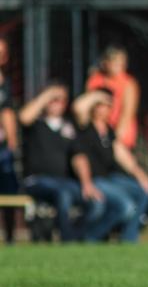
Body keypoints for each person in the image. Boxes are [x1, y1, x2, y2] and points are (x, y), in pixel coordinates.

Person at [19, 83, 106, 241]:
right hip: (37, 180)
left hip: (64, 182)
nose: (57, 103)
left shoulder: (69, 126)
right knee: (64, 193)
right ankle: (67, 239)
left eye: (61, 100)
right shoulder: (36, 124)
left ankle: (81, 237)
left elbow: (78, 156)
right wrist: (47, 95)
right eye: (54, 99)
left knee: (96, 203)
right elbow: (24, 117)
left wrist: (86, 183)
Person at [71, 89, 148, 242]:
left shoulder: (109, 131)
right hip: (95, 180)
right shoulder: (85, 127)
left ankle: (129, 238)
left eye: (108, 105)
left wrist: (142, 177)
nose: (105, 108)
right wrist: (99, 94)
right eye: (100, 104)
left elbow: (124, 157)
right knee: (126, 208)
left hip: (110, 179)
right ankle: (91, 237)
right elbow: (78, 107)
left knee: (144, 191)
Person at [86, 45, 140, 150]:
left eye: (121, 62)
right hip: (100, 132)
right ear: (106, 62)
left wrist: (115, 139)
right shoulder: (95, 79)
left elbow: (127, 114)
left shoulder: (128, 83)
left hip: (120, 137)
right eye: (115, 61)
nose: (119, 65)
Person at [0, 36, 19, 243]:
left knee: (9, 189)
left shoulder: (5, 82)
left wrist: (12, 140)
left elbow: (7, 113)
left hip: (3, 147)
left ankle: (11, 238)